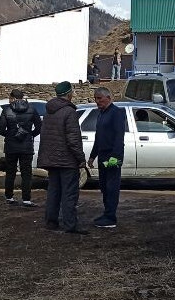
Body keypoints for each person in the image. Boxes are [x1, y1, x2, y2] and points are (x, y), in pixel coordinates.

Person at [38, 81, 88, 235]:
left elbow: (45, 135)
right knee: (69, 193)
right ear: (69, 94)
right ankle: (70, 224)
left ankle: (51, 222)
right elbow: (73, 139)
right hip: (67, 160)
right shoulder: (69, 112)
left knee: (54, 192)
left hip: (52, 159)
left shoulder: (49, 111)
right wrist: (81, 158)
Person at [88, 87, 127, 229]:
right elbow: (98, 137)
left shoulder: (116, 113)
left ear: (108, 98)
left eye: (99, 98)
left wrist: (114, 158)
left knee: (111, 187)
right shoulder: (101, 114)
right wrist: (92, 156)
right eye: (95, 99)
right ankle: (107, 213)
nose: (97, 101)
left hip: (113, 155)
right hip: (102, 155)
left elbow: (119, 138)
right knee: (104, 186)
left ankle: (111, 217)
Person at [0, 89, 41, 207]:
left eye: (9, 98)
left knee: (10, 172)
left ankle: (9, 197)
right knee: (26, 173)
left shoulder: (7, 110)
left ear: (13, 98)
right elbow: (39, 127)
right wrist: (30, 135)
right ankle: (26, 199)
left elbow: (0, 129)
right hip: (26, 146)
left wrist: (10, 135)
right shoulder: (32, 109)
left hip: (11, 146)